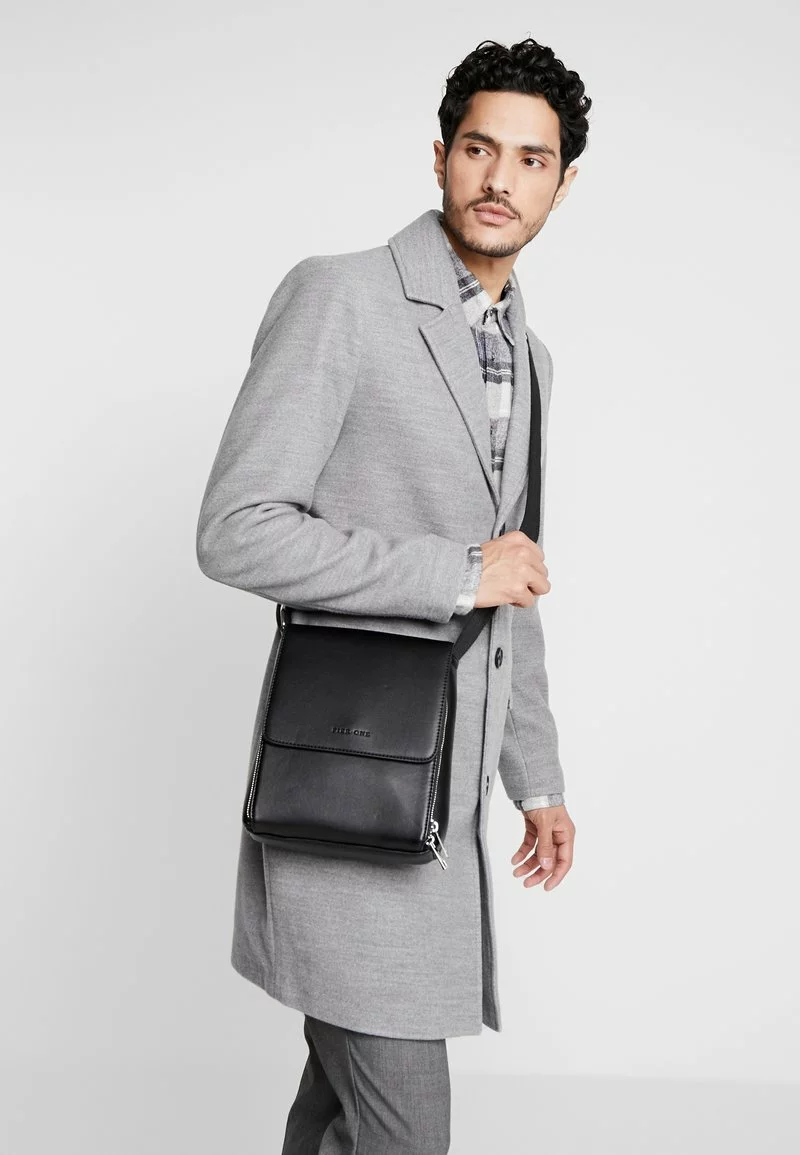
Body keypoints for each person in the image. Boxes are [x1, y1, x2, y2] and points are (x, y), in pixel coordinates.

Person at [196, 35, 589, 1155]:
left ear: (562, 184)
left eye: (530, 159)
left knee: (339, 1118)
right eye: (478, 148)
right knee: (404, 1128)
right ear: (440, 157)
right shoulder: (343, 298)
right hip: (350, 778)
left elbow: (514, 584)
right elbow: (235, 529)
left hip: (443, 807)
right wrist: (452, 573)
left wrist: (537, 778)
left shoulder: (531, 358)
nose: (499, 179)